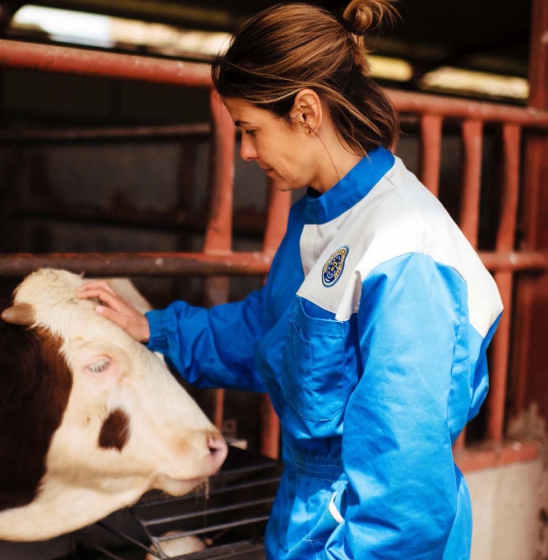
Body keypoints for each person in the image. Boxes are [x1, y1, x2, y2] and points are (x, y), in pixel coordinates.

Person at [78, 1, 503, 558]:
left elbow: (403, 491)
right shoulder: (320, 211)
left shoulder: (404, 252)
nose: (248, 152)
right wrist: (156, 330)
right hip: (306, 515)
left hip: (361, 535)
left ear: (306, 112)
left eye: (251, 130)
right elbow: (272, 327)